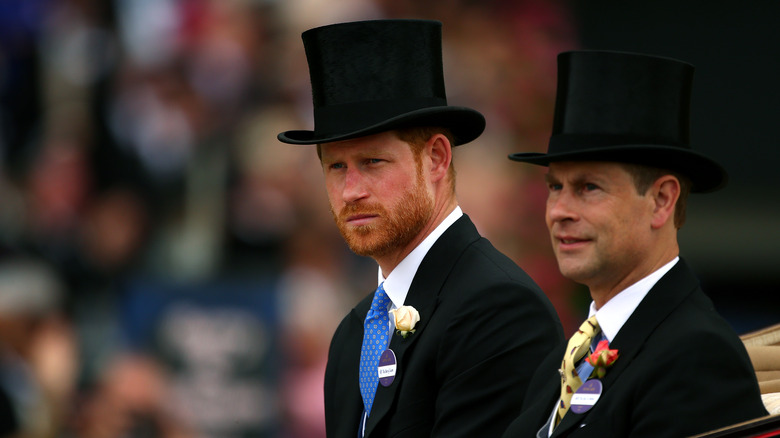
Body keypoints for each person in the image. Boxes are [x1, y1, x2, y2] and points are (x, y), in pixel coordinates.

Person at [277, 19, 563, 438]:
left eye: (373, 162)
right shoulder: (352, 334)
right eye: (336, 166)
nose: (350, 190)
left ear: (436, 159)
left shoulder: (498, 309)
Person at [503, 50, 768, 438]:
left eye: (588, 187)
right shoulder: (563, 362)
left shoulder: (696, 356)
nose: (559, 210)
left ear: (662, 200)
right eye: (555, 186)